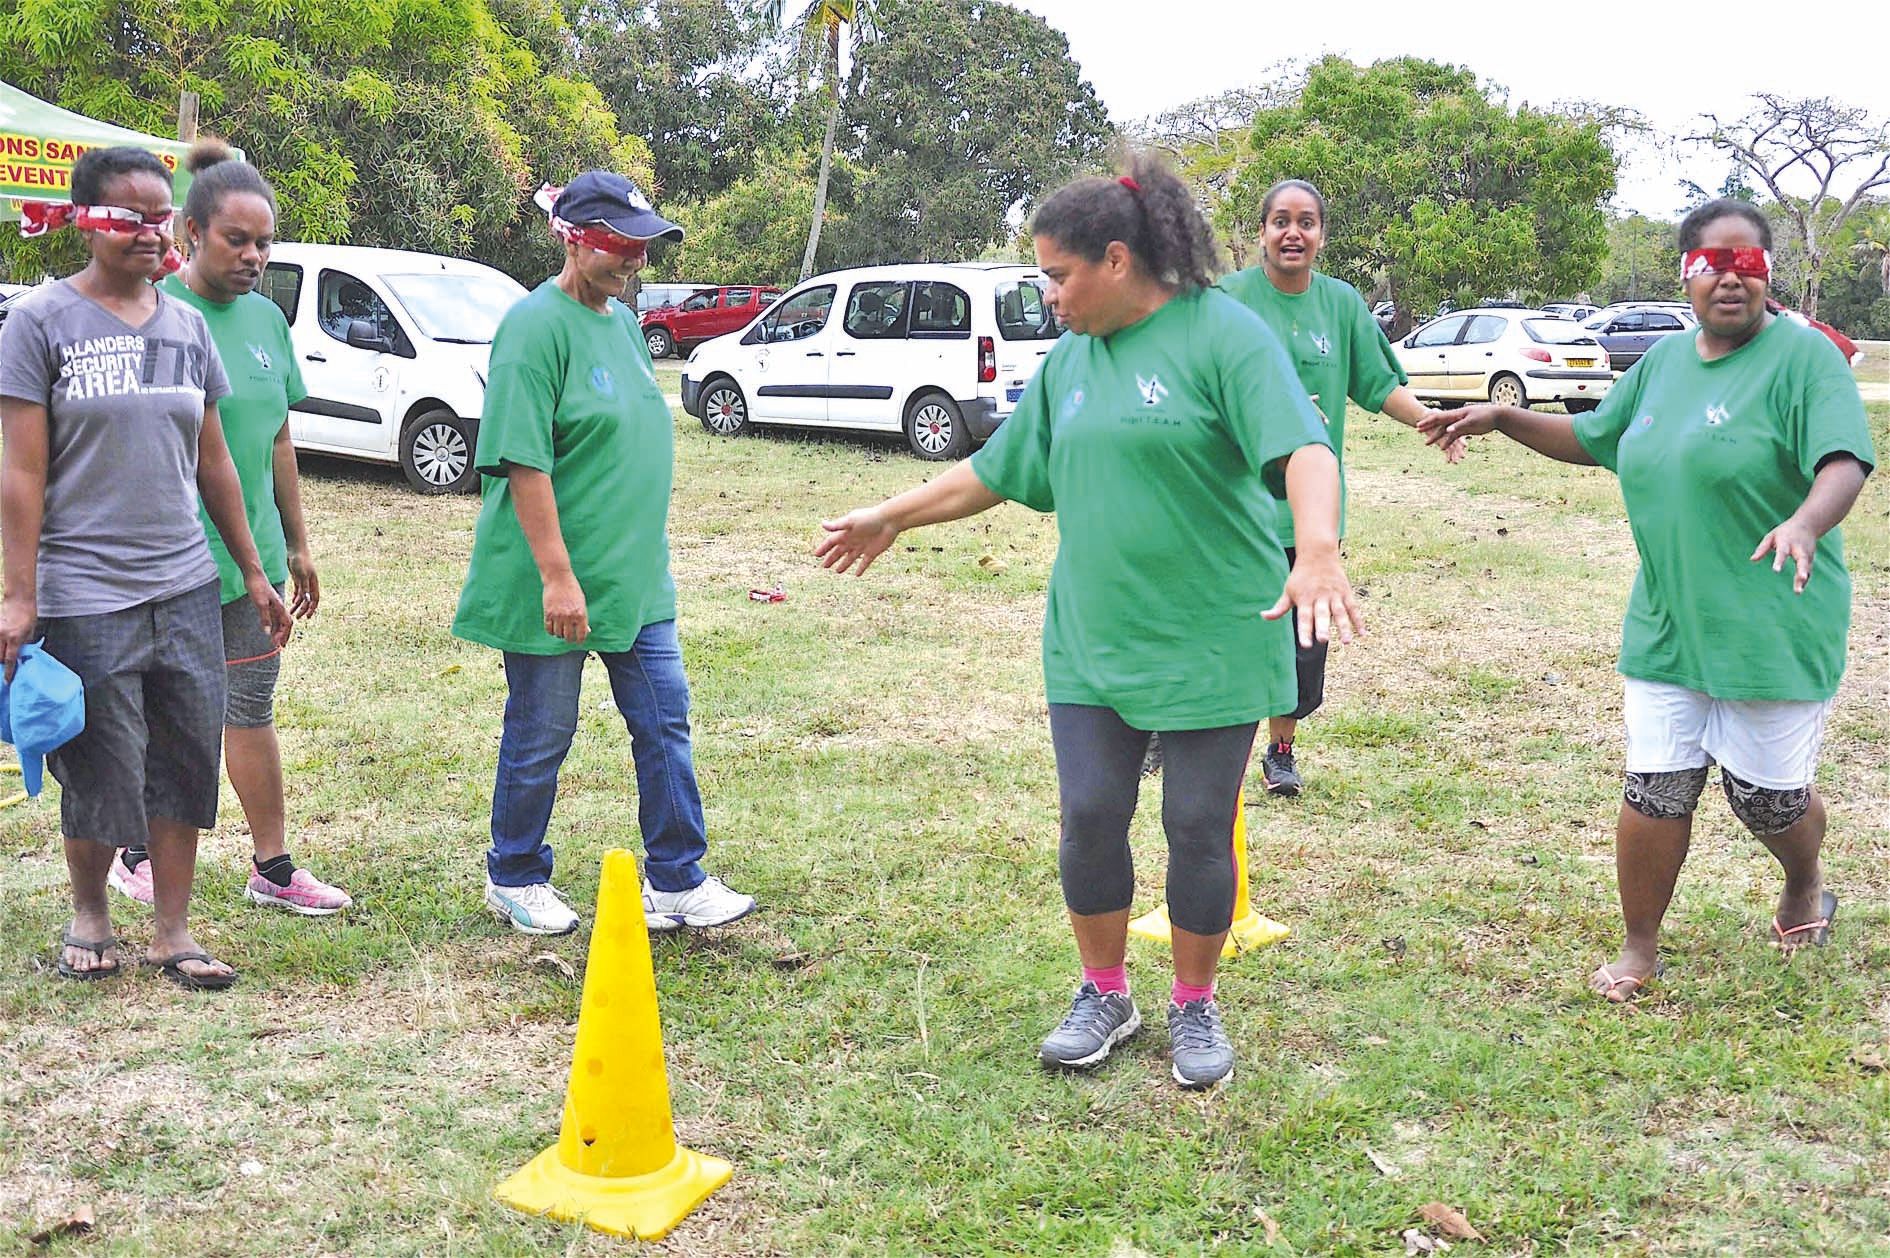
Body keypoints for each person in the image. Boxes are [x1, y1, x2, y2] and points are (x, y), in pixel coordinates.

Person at [815, 154, 1359, 1088]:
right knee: (1092, 815)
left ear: (1116, 260)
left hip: (1216, 633)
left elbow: (1305, 449)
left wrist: (1316, 549)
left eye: (1058, 276)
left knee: (1198, 825)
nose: (1049, 296)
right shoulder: (1070, 361)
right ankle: (1105, 991)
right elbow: (996, 470)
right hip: (1093, 636)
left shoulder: (1222, 335)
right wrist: (891, 515)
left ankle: (1195, 1003)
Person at [1419, 198, 1874, 1001]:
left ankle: (1804, 883)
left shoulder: (1805, 360)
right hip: (1669, 618)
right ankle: (1640, 947)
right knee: (1655, 787)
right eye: (1711, 264)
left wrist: (1806, 521)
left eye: (1747, 263)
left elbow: (1843, 460)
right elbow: (1596, 437)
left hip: (1774, 619)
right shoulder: (1662, 362)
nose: (1729, 279)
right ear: (1685, 274)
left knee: (1767, 801)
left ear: (1768, 273)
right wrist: (1504, 416)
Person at [0, 146, 293, 986]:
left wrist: (254, 571)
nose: (150, 233)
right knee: (101, 759)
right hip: (85, 589)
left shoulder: (186, 327)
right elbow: (19, 471)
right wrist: (18, 595)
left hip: (186, 584)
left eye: (159, 217)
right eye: (129, 218)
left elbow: (214, 461)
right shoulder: (41, 322)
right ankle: (91, 913)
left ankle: (173, 931)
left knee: (183, 757)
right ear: (85, 221)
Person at [452, 171, 755, 937]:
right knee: (542, 733)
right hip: (555, 578)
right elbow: (524, 462)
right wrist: (558, 577)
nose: (635, 262)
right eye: (621, 246)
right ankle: (515, 873)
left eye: (643, 249)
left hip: (635, 576)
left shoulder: (621, 323)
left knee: (664, 721)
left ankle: (676, 878)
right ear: (573, 240)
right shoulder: (533, 327)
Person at [104, 140, 350, 915]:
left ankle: (272, 868)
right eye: (236, 239)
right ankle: (136, 852)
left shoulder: (268, 321)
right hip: (167, 563)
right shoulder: (152, 317)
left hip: (255, 563)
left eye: (264, 243)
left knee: (250, 708)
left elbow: (278, 439)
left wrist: (297, 545)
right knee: (166, 715)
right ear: (192, 231)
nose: (253, 256)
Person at [1219, 179, 1462, 797]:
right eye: (1280, 220)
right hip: (1233, 509)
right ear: (1262, 232)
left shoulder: (1342, 305)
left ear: (1321, 236)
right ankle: (1190, 738)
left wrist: (1431, 421)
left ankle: (1280, 752)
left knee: (1302, 646)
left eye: (1306, 222)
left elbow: (1378, 384)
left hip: (1309, 518)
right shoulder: (1228, 300)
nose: (1292, 232)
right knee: (1227, 634)